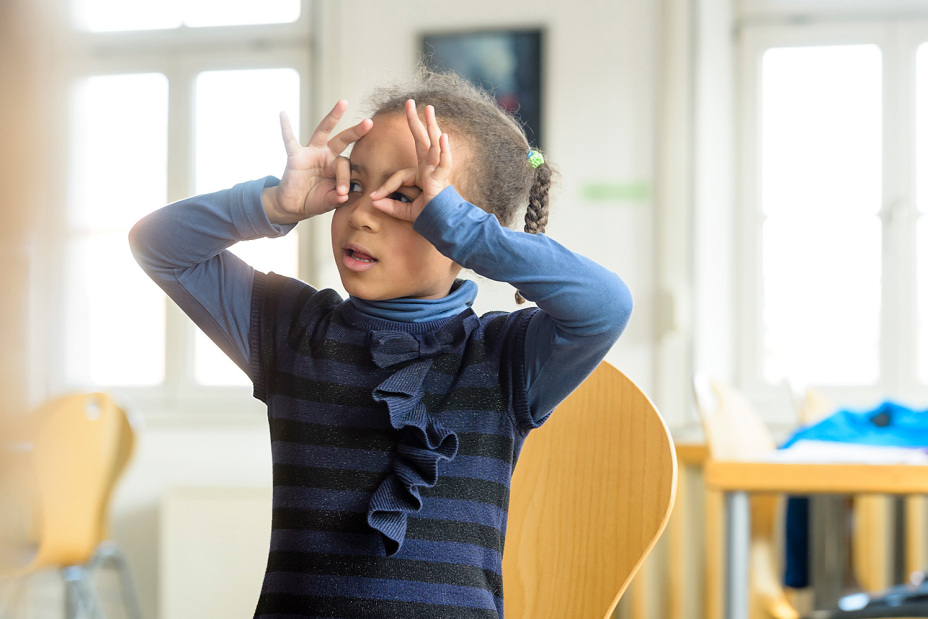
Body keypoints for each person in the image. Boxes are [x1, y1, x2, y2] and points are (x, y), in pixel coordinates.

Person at [130, 70, 633, 618]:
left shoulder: (504, 358)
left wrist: (463, 230)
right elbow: (159, 244)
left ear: (463, 226)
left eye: (409, 197)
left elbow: (605, 306)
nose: (363, 213)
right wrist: (273, 205)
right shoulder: (288, 329)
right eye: (355, 183)